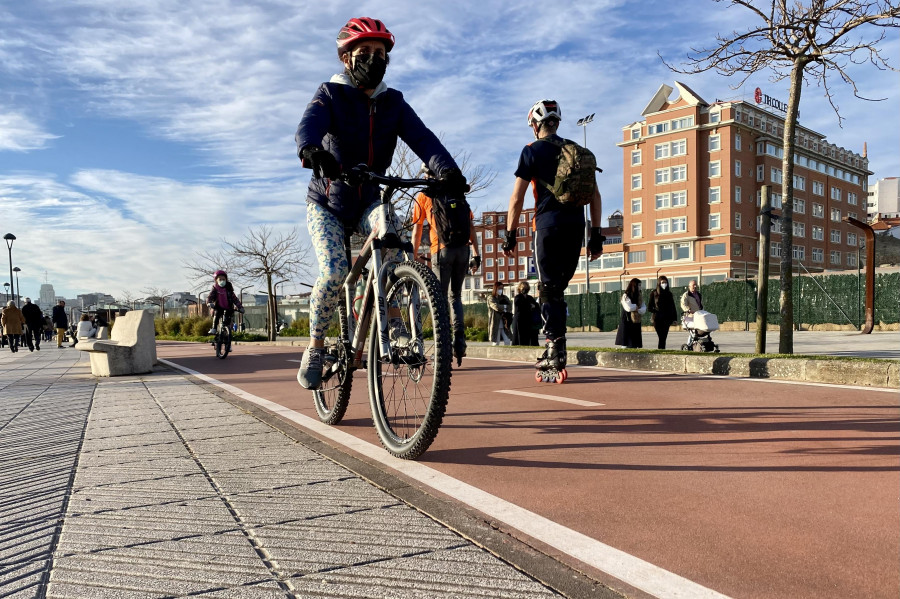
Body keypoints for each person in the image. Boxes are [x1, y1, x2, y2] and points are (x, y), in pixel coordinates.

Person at [294, 17, 466, 390]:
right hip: (327, 201)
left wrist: (448, 172)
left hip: (369, 195)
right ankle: (316, 345)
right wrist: (311, 150)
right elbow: (309, 125)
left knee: (394, 244)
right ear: (346, 59)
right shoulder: (331, 94)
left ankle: (393, 318)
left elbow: (424, 139)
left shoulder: (393, 103)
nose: (374, 58)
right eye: (365, 53)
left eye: (380, 53)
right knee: (335, 271)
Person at [502, 99, 604, 375]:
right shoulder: (578, 152)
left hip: (547, 226)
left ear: (535, 125)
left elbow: (517, 198)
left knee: (547, 289)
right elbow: (595, 196)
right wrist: (596, 234)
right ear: (556, 122)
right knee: (558, 288)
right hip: (576, 227)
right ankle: (556, 343)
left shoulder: (531, 151)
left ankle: (554, 348)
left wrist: (509, 235)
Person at [411, 164, 480, 364]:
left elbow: (417, 231)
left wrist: (413, 256)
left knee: (439, 299)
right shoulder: (456, 191)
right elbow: (471, 226)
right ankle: (460, 343)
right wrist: (477, 253)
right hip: (463, 249)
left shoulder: (425, 195)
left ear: (427, 175)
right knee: (456, 296)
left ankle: (444, 349)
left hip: (440, 250)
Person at [647, 276, 678, 349]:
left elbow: (673, 307)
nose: (664, 284)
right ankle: (661, 350)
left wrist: (675, 319)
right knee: (661, 336)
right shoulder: (654, 293)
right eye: (662, 282)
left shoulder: (669, 294)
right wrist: (656, 311)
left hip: (667, 319)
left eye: (665, 282)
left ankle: (661, 350)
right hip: (657, 319)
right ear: (659, 283)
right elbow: (649, 307)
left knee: (664, 337)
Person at [615, 278, 646, 349]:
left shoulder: (639, 296)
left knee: (634, 340)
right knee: (626, 338)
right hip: (627, 318)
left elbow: (643, 308)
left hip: (636, 319)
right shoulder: (626, 295)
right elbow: (628, 307)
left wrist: (638, 309)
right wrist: (636, 307)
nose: (640, 287)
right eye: (639, 285)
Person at [512, 281, 539, 346]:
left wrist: (533, 306)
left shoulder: (530, 297)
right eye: (523, 288)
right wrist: (529, 306)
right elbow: (519, 306)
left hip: (528, 320)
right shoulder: (518, 297)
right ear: (520, 289)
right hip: (519, 320)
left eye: (526, 288)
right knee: (518, 337)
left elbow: (536, 305)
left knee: (527, 337)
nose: (524, 289)